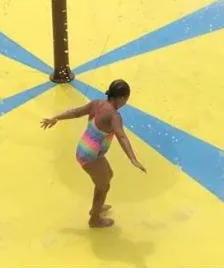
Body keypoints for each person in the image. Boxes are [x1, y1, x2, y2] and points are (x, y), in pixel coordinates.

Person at [40, 79, 145, 229]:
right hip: (90, 156)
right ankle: (94, 219)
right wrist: (133, 158)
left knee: (109, 176)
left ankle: (97, 207)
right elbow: (121, 136)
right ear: (122, 98)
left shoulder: (97, 103)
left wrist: (56, 117)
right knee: (102, 186)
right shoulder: (114, 116)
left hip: (86, 149)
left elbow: (76, 112)